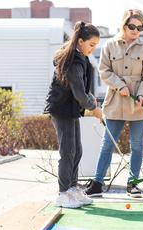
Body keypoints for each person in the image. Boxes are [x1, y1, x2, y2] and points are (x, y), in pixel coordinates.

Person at [84, 9, 143, 198]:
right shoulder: (109, 45)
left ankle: (133, 184)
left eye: (140, 27)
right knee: (107, 144)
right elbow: (104, 71)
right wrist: (119, 85)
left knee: (137, 146)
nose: (136, 30)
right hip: (115, 102)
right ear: (124, 25)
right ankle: (98, 183)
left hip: (138, 104)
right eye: (132, 26)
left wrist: (141, 94)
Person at [43, 22, 103, 208]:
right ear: (80, 41)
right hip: (61, 109)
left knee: (77, 150)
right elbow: (78, 94)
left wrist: (89, 97)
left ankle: (72, 188)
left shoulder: (80, 58)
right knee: (67, 152)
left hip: (70, 109)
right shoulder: (74, 60)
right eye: (91, 45)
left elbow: (80, 90)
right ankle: (62, 193)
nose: (93, 49)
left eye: (95, 45)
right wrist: (95, 108)